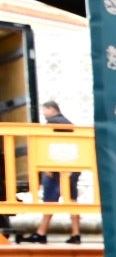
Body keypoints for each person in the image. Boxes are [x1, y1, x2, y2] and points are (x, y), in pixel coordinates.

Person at [27, 100, 82, 244]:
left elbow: (48, 145)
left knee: (50, 201)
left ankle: (41, 233)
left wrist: (47, 167)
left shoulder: (52, 124)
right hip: (72, 167)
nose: (44, 114)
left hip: (56, 167)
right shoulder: (70, 123)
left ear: (52, 109)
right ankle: (76, 234)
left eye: (44, 110)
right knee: (72, 200)